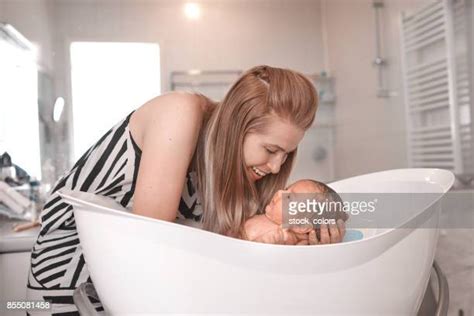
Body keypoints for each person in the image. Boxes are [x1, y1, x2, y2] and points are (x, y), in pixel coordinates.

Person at [26, 65, 346, 315]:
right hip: (71, 283)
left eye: (287, 154)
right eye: (271, 149)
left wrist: (323, 222)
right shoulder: (179, 113)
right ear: (238, 127)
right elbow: (152, 245)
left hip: (137, 290)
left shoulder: (240, 173)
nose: (277, 167)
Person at [243, 179, 348, 245]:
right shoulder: (272, 218)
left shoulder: (283, 236)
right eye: (286, 189)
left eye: (289, 197)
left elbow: (256, 253)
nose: (279, 192)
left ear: (301, 226)